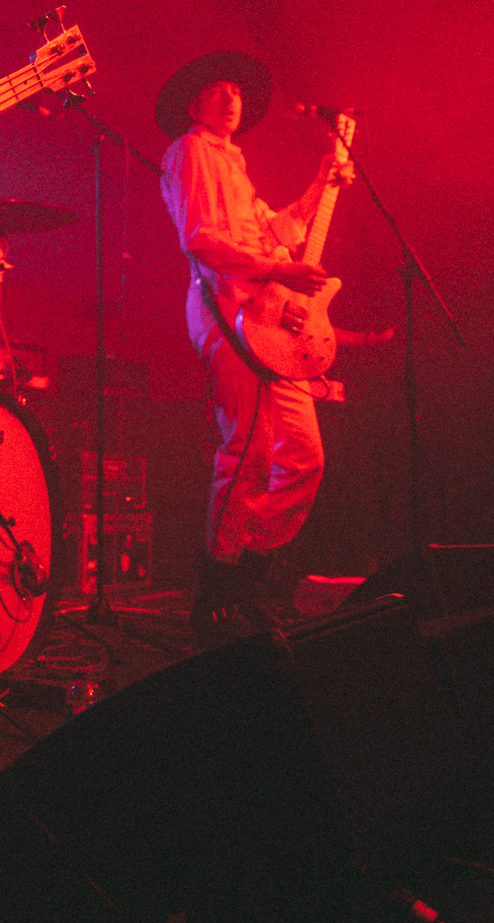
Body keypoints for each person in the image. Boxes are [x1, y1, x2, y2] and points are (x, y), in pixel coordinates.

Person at [155, 51, 351, 637]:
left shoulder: (235, 165)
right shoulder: (189, 151)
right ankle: (215, 592)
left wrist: (321, 182)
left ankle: (248, 576)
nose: (231, 98)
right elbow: (199, 238)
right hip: (224, 308)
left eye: (237, 91)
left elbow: (278, 232)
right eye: (218, 90)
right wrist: (278, 270)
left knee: (304, 457)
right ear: (195, 105)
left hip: (265, 315)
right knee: (248, 451)